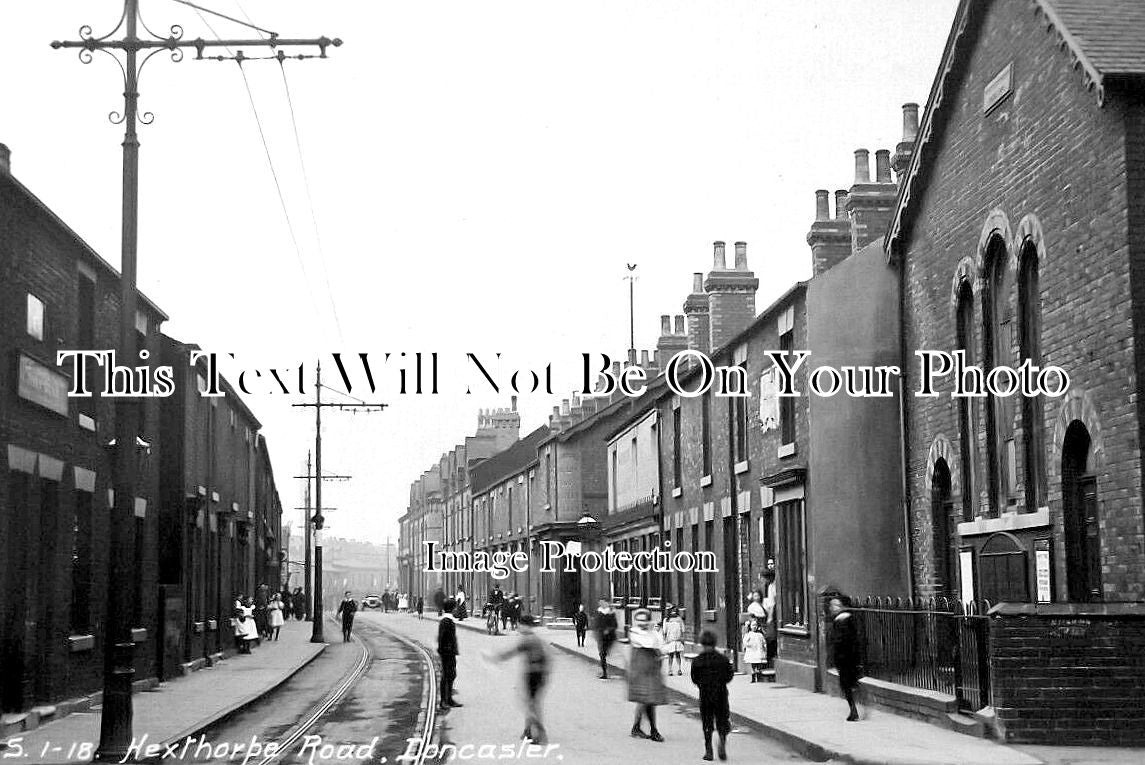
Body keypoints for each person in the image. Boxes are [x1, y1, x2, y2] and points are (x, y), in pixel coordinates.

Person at [487, 614, 549, 743]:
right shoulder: (535, 638)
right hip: (538, 674)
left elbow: (513, 651)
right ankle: (528, 731)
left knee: (530, 704)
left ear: (526, 626)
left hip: (533, 674)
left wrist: (496, 658)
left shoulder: (528, 639)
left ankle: (539, 734)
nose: (518, 627)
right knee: (531, 702)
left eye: (520, 624)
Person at [690, 629, 733, 761]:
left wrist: (702, 684)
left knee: (707, 721)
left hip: (705, 694)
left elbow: (694, 678)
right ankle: (722, 739)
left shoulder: (697, 661)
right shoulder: (723, 660)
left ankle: (708, 750)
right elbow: (729, 676)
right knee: (722, 719)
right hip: (720, 693)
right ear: (715, 643)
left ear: (702, 643)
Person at [626, 608, 666, 741]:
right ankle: (653, 731)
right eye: (639, 620)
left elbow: (660, 644)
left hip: (651, 671)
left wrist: (653, 631)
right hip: (640, 672)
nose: (642, 623)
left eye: (645, 620)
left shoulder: (652, 633)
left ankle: (637, 727)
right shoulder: (634, 632)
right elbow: (650, 644)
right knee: (647, 700)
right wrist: (652, 631)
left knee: (647, 701)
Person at [829, 596, 862, 722]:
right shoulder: (851, 618)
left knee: (846, 685)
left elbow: (839, 641)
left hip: (844, 658)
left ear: (842, 606)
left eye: (835, 605)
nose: (832, 608)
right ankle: (856, 702)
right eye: (831, 605)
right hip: (852, 657)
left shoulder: (840, 621)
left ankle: (853, 710)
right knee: (850, 682)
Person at [437, 597, 463, 708]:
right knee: (446, 676)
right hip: (447, 653)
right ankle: (443, 701)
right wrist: (445, 651)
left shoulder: (449, 620)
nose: (457, 610)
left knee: (451, 675)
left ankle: (449, 699)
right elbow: (442, 638)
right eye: (455, 608)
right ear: (452, 609)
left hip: (450, 652)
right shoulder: (445, 621)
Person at [593, 597, 618, 679]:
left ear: (607, 603)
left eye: (603, 602)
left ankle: (607, 670)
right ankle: (604, 672)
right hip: (601, 636)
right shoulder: (598, 612)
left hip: (609, 636)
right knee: (602, 654)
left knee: (605, 653)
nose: (601, 604)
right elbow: (596, 624)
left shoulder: (611, 612)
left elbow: (615, 625)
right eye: (600, 603)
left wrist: (608, 630)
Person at [661, 606, 685, 675]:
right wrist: (665, 639)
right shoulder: (666, 620)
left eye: (674, 610)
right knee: (671, 655)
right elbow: (664, 631)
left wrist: (682, 638)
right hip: (670, 640)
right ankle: (670, 670)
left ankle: (679, 669)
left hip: (677, 639)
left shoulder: (679, 619)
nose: (673, 612)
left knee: (678, 655)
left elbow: (683, 629)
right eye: (672, 610)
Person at [743, 618, 766, 683]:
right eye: (753, 625)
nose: (754, 627)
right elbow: (745, 641)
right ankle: (753, 676)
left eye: (756, 625)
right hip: (752, 651)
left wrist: (764, 647)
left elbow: (763, 642)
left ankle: (758, 675)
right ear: (750, 626)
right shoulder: (749, 634)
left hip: (758, 651)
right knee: (753, 663)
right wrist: (748, 645)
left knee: (758, 662)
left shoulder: (760, 634)